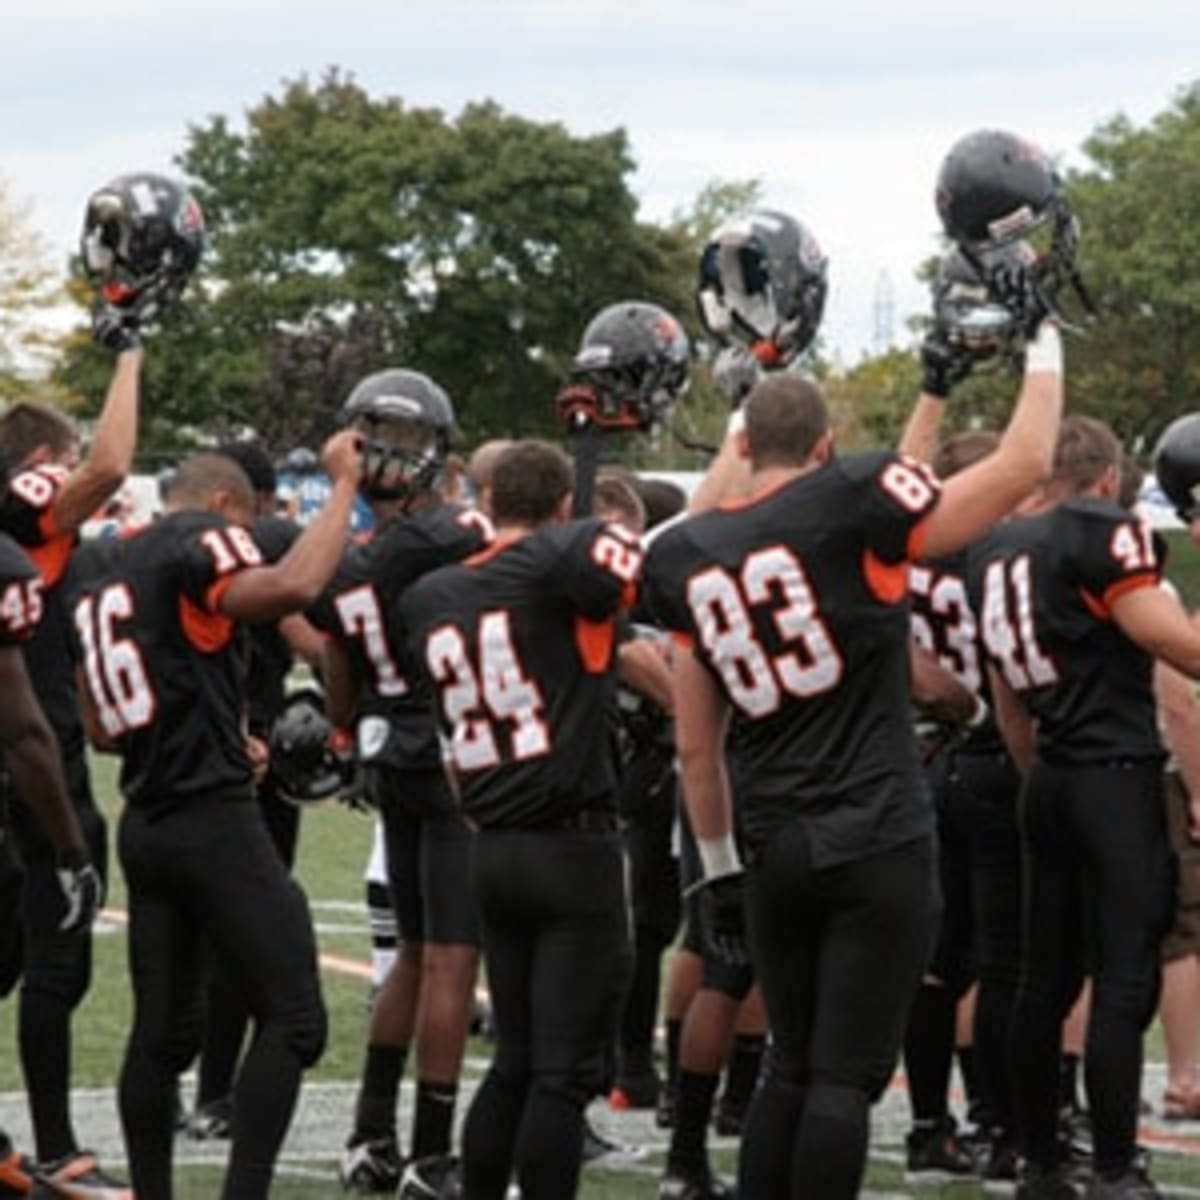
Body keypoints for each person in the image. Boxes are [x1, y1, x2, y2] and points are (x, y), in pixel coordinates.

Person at [643, 309, 1063, 1199]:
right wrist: (1044, 337)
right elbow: (1024, 465)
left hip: (767, 838)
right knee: (841, 1078)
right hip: (874, 827)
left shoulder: (689, 555)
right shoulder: (850, 505)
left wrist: (715, 867)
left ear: (748, 443)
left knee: (793, 1065)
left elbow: (694, 744)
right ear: (831, 445)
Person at [70, 434, 361, 1199]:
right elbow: (290, 589)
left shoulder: (103, 563)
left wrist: (210, 734)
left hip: (148, 817)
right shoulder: (203, 536)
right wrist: (342, 488)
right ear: (230, 506)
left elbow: (103, 726)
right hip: (212, 821)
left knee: (161, 1037)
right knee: (297, 1019)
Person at [398, 440, 642, 1200]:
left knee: (516, 1062)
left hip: (490, 845)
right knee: (563, 1076)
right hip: (571, 844)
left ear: (488, 503)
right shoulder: (558, 567)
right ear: (565, 509)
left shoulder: (431, 595)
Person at [965, 413, 1200, 1199]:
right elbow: (1174, 643)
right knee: (1124, 978)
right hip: (1114, 774)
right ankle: (1111, 1165)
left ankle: (1041, 1159)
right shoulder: (1100, 530)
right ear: (1107, 481)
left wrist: (1050, 771)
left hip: (1050, 777)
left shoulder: (993, 550)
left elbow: (1008, 709)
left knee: (1044, 980)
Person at [313, 369, 491, 1194]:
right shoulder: (447, 535)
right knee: (453, 961)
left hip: (389, 750)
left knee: (413, 956)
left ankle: (369, 1138)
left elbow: (335, 663)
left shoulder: (347, 562)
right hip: (447, 754)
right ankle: (429, 1153)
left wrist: (349, 734)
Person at [0, 313, 145, 1196]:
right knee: (56, 960)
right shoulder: (28, 512)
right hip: (32, 771)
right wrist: (130, 352)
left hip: (38, 753)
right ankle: (55, 1144)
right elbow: (111, 469)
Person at [185, 439, 326, 1139]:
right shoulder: (265, 541)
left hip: (184, 753)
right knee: (255, 933)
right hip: (256, 752)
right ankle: (221, 1093)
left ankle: (203, 1092)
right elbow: (307, 638)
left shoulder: (167, 549)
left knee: (191, 935)